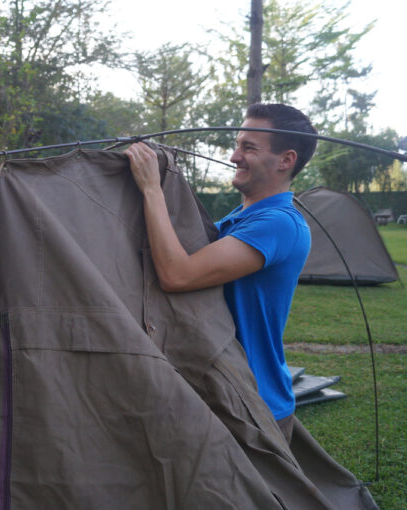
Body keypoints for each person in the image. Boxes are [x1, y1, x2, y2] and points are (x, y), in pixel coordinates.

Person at [125, 103, 317, 443]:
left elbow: (177, 275)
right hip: (219, 389)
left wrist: (152, 189)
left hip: (250, 402)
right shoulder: (238, 220)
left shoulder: (278, 224)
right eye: (237, 144)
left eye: (249, 148)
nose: (234, 156)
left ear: (286, 160)